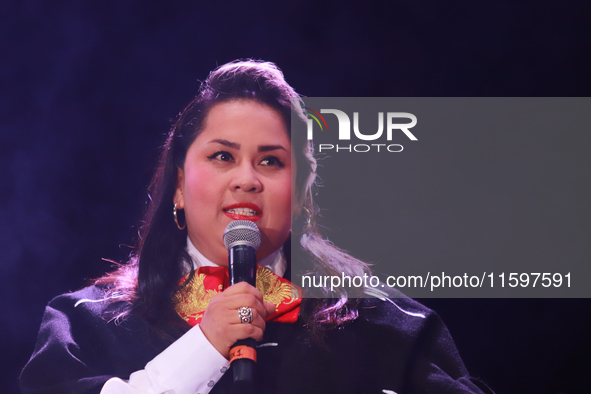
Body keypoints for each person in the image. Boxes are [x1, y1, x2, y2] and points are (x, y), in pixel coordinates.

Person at [20, 60, 493, 394]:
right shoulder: (85, 324)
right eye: (222, 156)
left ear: (302, 194)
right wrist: (206, 346)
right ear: (180, 186)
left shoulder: (390, 330)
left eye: (270, 161)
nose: (246, 179)